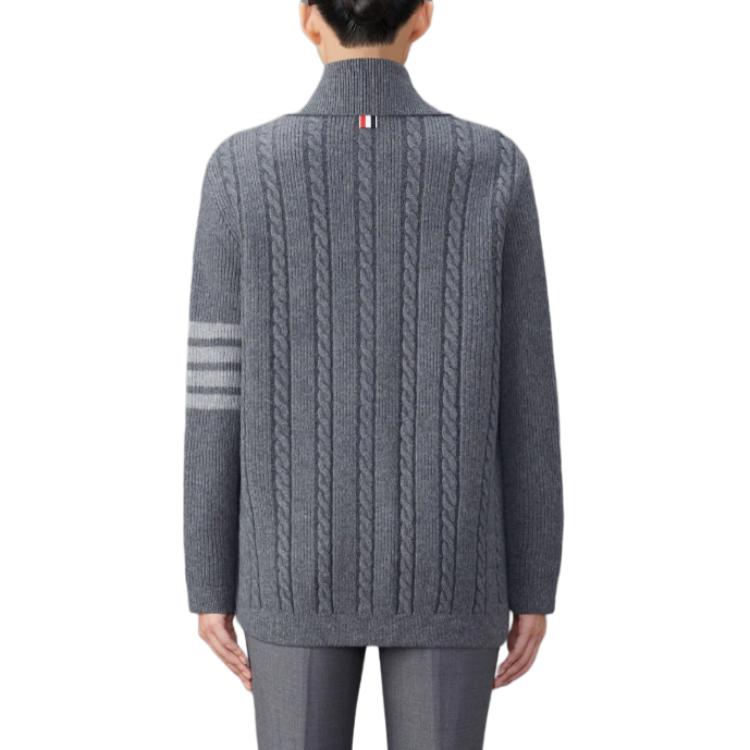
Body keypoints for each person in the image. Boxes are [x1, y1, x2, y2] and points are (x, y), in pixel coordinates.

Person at [183, 1, 564, 747]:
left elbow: (214, 391)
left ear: (308, 18)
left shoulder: (240, 169)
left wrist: (208, 579)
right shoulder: (493, 165)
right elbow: (528, 395)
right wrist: (534, 582)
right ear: (423, 16)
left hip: (287, 568)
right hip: (454, 567)